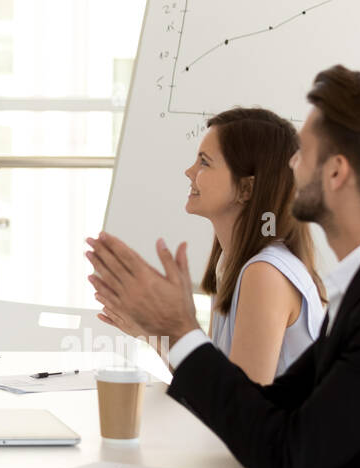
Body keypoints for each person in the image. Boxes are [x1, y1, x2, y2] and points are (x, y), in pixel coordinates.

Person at [87, 66, 360, 468]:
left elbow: (283, 462)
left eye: (303, 152)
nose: (290, 166)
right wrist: (167, 330)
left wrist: (180, 331)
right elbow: (276, 405)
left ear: (336, 172)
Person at [98, 107, 325, 383]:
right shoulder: (233, 265)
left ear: (246, 189)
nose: (189, 171)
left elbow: (239, 408)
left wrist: (175, 324)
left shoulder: (264, 275)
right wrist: (150, 331)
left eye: (204, 162)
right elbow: (214, 385)